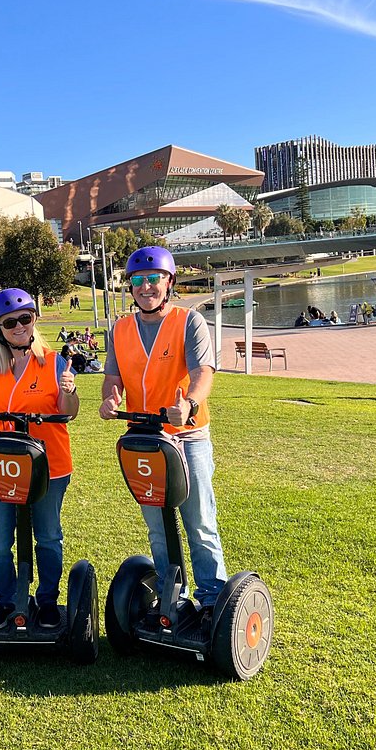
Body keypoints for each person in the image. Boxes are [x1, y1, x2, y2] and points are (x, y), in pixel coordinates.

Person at [99, 246, 227, 617]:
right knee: (158, 527)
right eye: (138, 280)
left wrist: (188, 404)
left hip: (187, 437)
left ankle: (211, 599)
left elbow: (204, 372)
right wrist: (110, 400)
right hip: (145, 439)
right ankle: (174, 597)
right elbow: (113, 379)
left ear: (169, 282)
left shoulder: (189, 321)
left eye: (153, 279)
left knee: (199, 522)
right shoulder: (120, 329)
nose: (145, 287)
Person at [0, 288, 79, 630]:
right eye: (10, 322)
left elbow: (68, 413)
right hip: (1, 467)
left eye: (25, 318)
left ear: (34, 320)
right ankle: (7, 601)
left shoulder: (56, 362)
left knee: (47, 537)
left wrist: (69, 391)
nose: (19, 326)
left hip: (49, 467)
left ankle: (45, 601)